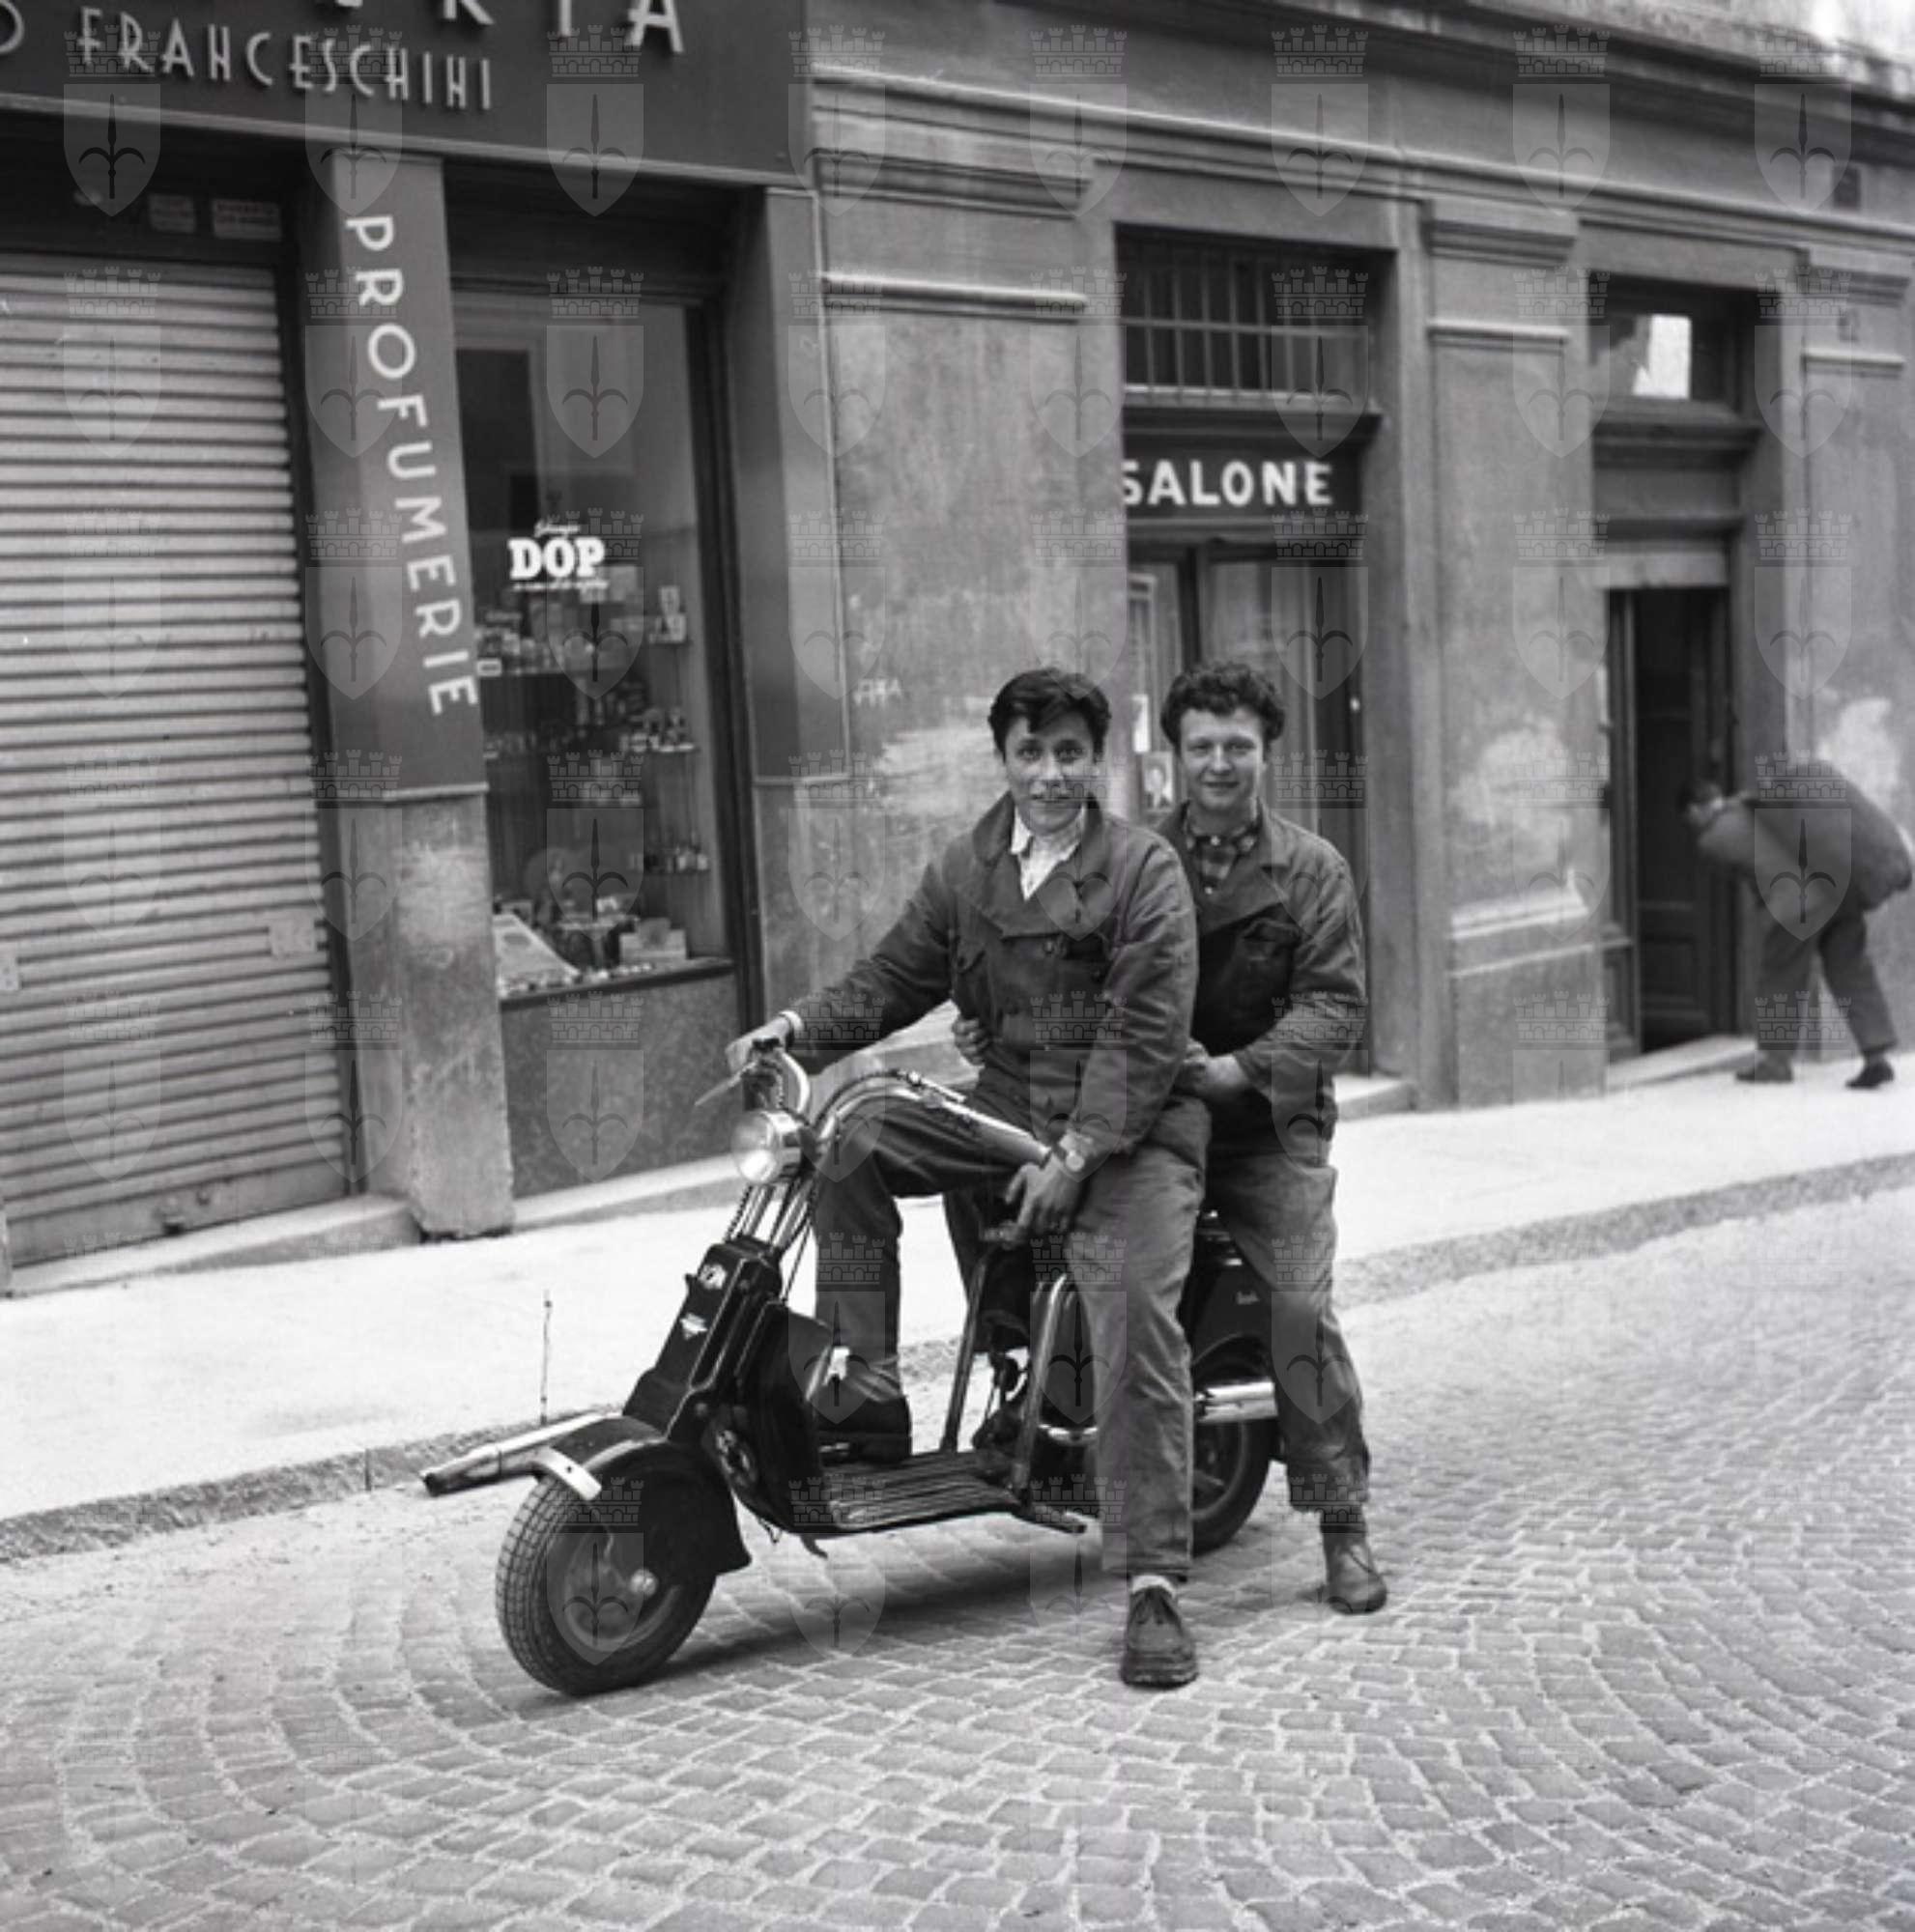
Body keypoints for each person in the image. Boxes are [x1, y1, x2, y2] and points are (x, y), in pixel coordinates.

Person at [725, 668, 1213, 1689]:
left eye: (1069, 753)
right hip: (1008, 1105)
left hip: (1132, 1126)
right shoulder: (968, 866)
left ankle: (1152, 1585)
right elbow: (892, 975)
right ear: (1003, 758)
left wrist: (1075, 1155)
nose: (1049, 775)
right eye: (1029, 753)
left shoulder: (1143, 869)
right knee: (850, 1138)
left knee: (1130, 1313)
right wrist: (794, 1029)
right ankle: (866, 1384)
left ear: (1097, 760)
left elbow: (1144, 1032)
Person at [955, 660, 1386, 1616]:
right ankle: (1032, 1393)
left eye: (1238, 746)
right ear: (1173, 755)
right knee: (1020, 1215)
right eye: (1201, 747)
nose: (1219, 764)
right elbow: (1056, 973)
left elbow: (1333, 1009)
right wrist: (995, 1026)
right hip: (1147, 1118)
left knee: (1295, 1308)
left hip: (1266, 1130)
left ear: (1267, 753)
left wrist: (1235, 1070)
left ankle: (1341, 1521)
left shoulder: (1311, 869)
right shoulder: (1130, 859)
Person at [1678, 774, 1903, 1089]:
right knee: (1852, 969)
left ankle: (1774, 1062)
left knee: (1780, 976)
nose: (1693, 827)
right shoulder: (1753, 804)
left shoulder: (1714, 836)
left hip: (1797, 903)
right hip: (1838, 888)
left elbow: (1759, 869)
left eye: (1690, 820)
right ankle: (1876, 1055)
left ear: (1694, 810)